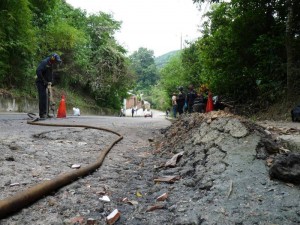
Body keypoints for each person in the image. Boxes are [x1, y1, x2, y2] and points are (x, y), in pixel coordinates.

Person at [36, 53, 62, 119]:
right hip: (41, 82)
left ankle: (46, 113)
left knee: (47, 98)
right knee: (43, 97)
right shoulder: (45, 62)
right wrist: (43, 80)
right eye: (55, 61)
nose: (56, 62)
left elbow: (49, 74)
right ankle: (42, 114)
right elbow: (38, 71)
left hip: (47, 83)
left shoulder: (51, 64)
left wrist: (51, 82)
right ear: (52, 58)